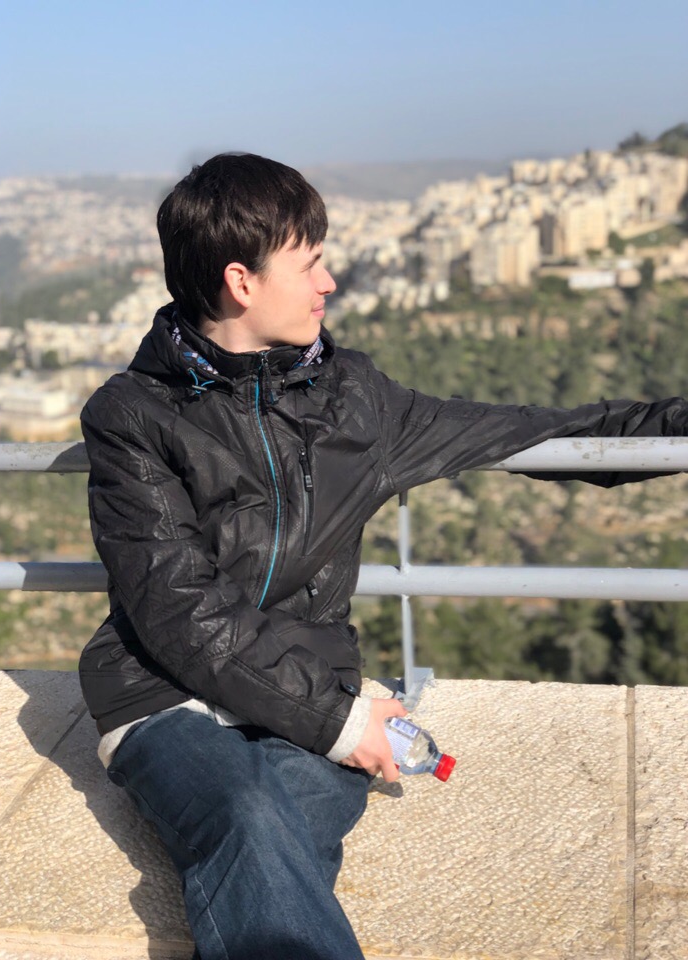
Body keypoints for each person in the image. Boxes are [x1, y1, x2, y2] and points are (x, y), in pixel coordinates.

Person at [79, 152, 688, 960]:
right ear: (241, 282)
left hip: (310, 684)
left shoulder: (356, 401)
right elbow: (179, 610)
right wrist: (340, 724)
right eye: (310, 263)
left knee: (272, 838)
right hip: (165, 693)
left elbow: (538, 431)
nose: (329, 283)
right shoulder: (131, 416)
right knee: (249, 816)